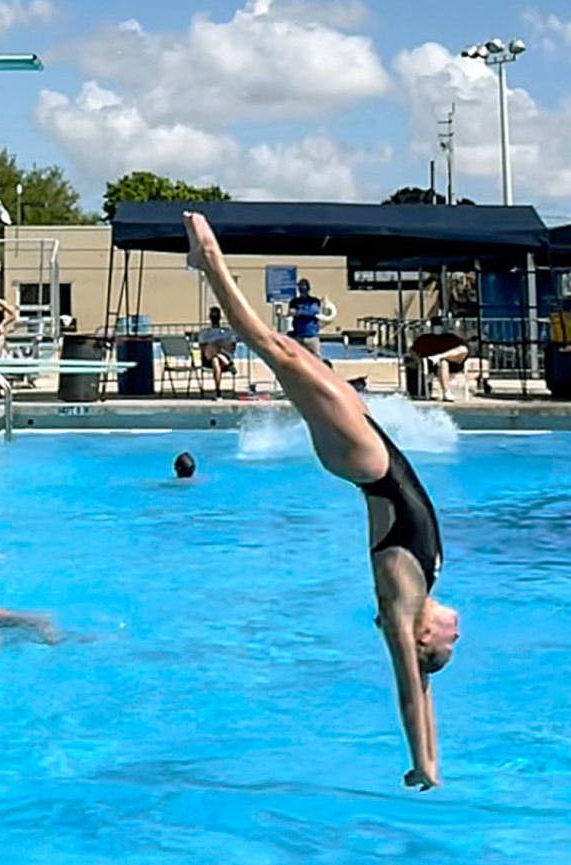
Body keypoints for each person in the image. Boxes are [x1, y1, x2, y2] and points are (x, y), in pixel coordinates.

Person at [184, 211, 459, 791]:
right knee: (289, 349)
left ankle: (211, 264)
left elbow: (411, 690)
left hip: (363, 461)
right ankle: (209, 264)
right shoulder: (423, 591)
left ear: (422, 640)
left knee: (276, 352)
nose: (458, 636)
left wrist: (422, 766)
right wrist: (435, 756)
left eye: (446, 648)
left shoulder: (402, 609)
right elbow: (430, 696)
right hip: (370, 447)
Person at [408, 316, 470, 402]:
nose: (437, 327)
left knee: (463, 350)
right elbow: (412, 351)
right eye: (435, 325)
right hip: (434, 365)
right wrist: (419, 362)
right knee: (443, 363)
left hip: (455, 362)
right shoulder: (425, 339)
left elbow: (463, 349)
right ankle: (446, 392)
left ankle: (439, 356)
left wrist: (439, 356)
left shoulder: (450, 337)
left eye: (439, 325)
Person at [197, 306, 237, 398]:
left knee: (215, 360)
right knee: (213, 346)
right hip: (208, 357)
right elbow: (203, 348)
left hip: (222, 358)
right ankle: (229, 364)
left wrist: (219, 347)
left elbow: (231, 347)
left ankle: (218, 391)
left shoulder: (226, 332)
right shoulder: (205, 332)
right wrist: (217, 345)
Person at [287, 278, 324, 358]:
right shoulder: (294, 301)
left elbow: (313, 312)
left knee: (316, 359)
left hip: (311, 336)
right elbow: (291, 312)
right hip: (298, 336)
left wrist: (298, 312)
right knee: (297, 359)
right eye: (300, 287)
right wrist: (301, 312)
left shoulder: (314, 301)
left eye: (304, 286)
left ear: (308, 288)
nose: (302, 289)